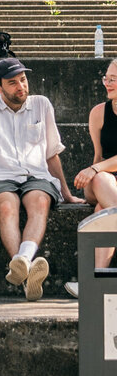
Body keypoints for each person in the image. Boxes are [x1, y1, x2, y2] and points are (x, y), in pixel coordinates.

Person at [0, 58, 84, 302]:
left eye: (23, 80)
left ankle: (23, 261)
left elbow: (52, 154)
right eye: (13, 82)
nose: (21, 87)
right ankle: (28, 275)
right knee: (7, 206)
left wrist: (67, 193)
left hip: (35, 175)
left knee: (39, 202)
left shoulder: (41, 104)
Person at [69, 58, 117, 298]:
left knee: (103, 211)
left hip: (105, 186)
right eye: (105, 78)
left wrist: (96, 169)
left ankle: (96, 279)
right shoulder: (99, 113)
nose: (107, 83)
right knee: (99, 183)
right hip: (102, 181)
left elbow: (98, 165)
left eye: (113, 79)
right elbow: (98, 156)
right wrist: (95, 170)